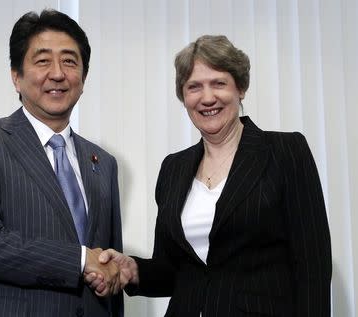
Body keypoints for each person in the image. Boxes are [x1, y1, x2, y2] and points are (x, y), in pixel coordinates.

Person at [87, 35, 332, 316]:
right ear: (183, 96)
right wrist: (133, 269)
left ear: (240, 88)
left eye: (219, 83)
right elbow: (172, 271)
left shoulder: (286, 151)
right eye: (194, 87)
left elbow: (313, 266)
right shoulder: (173, 168)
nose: (207, 98)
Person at [0, 9, 124, 317]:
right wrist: (80, 260)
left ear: (83, 78)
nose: (57, 73)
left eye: (70, 61)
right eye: (42, 61)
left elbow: (108, 264)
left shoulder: (103, 163)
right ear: (16, 76)